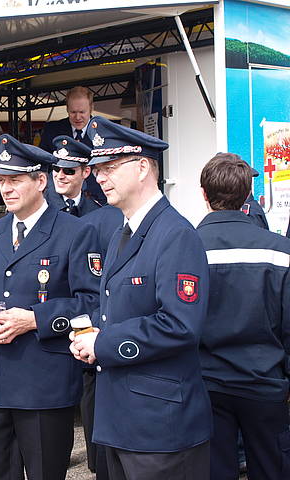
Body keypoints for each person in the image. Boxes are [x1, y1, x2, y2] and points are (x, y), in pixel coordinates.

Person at [70, 116, 212, 480]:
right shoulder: (124, 233)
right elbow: (118, 309)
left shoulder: (175, 234)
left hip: (160, 428)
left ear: (143, 167)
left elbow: (179, 325)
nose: (100, 178)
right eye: (97, 170)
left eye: (110, 168)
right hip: (121, 421)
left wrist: (103, 342)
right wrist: (93, 335)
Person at [0, 134, 101, 480]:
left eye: (15, 179)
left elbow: (92, 302)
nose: (6, 189)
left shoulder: (75, 232)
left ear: (41, 181)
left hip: (44, 385)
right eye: (1, 181)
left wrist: (34, 319)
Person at [196, 153, 290, 480]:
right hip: (265, 382)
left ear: (204, 194)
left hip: (207, 384)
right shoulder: (279, 250)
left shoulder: (186, 247)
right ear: (248, 193)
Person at [47, 135, 113, 479]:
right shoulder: (44, 211)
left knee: (90, 386)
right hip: (49, 316)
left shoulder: (99, 212)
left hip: (84, 311)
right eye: (56, 169)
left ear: (85, 173)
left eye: (69, 170)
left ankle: (95, 460)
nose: (61, 175)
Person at [39, 86, 105, 204]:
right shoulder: (52, 130)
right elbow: (43, 165)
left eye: (82, 112)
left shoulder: (103, 132)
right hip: (58, 201)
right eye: (73, 112)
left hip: (96, 199)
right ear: (67, 109)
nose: (78, 117)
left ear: (91, 108)